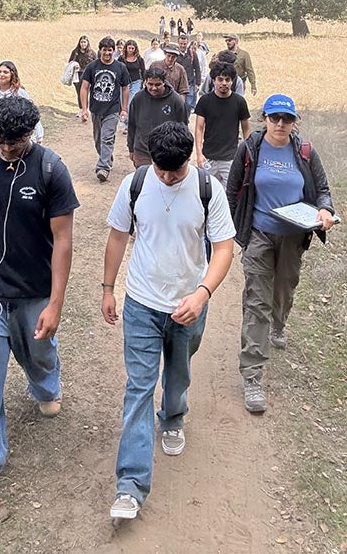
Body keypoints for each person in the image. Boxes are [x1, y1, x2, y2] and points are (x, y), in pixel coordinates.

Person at [102, 121, 235, 520]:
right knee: (139, 387)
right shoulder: (136, 183)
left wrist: (203, 293)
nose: (166, 176)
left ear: (186, 164)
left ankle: (174, 416)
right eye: (160, 169)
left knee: (177, 374)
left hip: (188, 304)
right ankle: (130, 486)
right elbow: (117, 235)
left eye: (173, 172)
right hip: (142, 302)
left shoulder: (207, 189)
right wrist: (108, 288)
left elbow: (225, 248)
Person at [0, 96, 79, 504]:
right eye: (0, 140)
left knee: (37, 354)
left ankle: (45, 384)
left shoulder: (50, 169)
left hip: (34, 293)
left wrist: (55, 304)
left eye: (16, 141)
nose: (7, 149)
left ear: (32, 132)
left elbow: (62, 240)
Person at [226, 94, 336, 414]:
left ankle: (279, 324)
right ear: (264, 118)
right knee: (256, 301)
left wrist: (325, 210)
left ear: (294, 122)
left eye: (286, 119)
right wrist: (238, 232)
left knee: (285, 288)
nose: (279, 124)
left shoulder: (304, 151)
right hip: (259, 235)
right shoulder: (249, 149)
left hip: (293, 236)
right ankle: (252, 375)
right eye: (274, 117)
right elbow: (232, 192)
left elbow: (322, 189)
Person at [80, 37, 131, 182]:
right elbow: (84, 87)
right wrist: (84, 109)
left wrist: (124, 108)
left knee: (106, 138)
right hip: (96, 109)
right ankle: (107, 157)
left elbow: (125, 88)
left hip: (112, 110)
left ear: (113, 51)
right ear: (100, 50)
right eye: (104, 50)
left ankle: (103, 168)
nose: (107, 53)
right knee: (98, 140)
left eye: (110, 50)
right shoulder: (92, 67)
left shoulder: (120, 67)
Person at [194, 63, 251, 188]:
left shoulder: (239, 102)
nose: (224, 83)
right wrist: (199, 153)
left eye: (227, 80)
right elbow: (199, 128)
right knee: (206, 192)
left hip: (230, 158)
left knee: (230, 194)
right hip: (208, 157)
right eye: (220, 79)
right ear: (213, 81)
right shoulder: (205, 101)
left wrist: (247, 152)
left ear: (232, 81)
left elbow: (246, 128)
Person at [126, 67, 187, 167]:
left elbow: (183, 128)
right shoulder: (138, 99)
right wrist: (131, 148)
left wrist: (183, 152)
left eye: (157, 84)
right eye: (150, 84)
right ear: (145, 82)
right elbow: (132, 124)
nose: (154, 88)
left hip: (167, 151)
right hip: (142, 149)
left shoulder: (176, 101)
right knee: (145, 178)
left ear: (164, 82)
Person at [0, 61, 44, 147]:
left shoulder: (20, 93)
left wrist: (39, 136)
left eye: (5, 72)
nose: (2, 74)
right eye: (0, 71)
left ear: (12, 74)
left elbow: (31, 114)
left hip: (15, 140)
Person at [68, 36, 97, 112]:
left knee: (86, 92)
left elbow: (96, 64)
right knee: (79, 92)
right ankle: (81, 109)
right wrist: (75, 65)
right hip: (77, 75)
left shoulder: (92, 53)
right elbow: (70, 62)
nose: (83, 44)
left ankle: (86, 109)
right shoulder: (75, 52)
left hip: (88, 75)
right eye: (81, 42)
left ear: (87, 43)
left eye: (84, 42)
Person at [176, 35, 201, 115]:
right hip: (178, 84)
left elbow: (197, 69)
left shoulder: (192, 54)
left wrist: (198, 83)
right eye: (181, 44)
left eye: (185, 44)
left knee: (188, 105)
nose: (183, 46)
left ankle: (186, 121)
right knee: (179, 104)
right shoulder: (174, 54)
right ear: (178, 43)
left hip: (189, 83)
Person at [119, 40, 145, 109]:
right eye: (129, 48)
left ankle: (130, 118)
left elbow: (143, 71)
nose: (130, 50)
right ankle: (124, 118)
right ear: (126, 48)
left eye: (132, 48)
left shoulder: (139, 59)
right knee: (123, 104)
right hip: (124, 83)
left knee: (131, 102)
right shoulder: (121, 59)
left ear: (135, 49)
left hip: (136, 82)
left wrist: (143, 82)